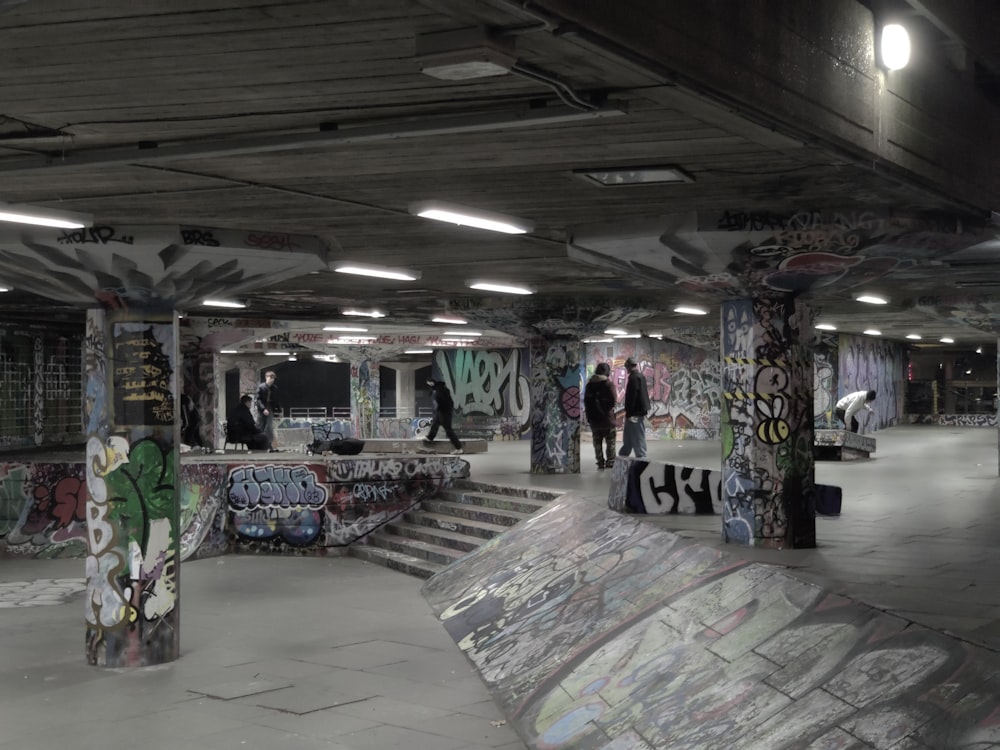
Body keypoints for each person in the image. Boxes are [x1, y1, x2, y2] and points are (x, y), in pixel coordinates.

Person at [584, 361, 617, 470]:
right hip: (608, 420)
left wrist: (589, 417)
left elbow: (586, 403)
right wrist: (606, 411)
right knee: (610, 442)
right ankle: (610, 462)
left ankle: (600, 462)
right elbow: (613, 401)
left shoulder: (589, 386)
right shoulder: (608, 385)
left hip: (594, 420)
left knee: (597, 442)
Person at [618, 357, 650, 458]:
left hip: (634, 413)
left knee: (638, 436)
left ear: (628, 367)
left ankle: (642, 458)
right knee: (628, 437)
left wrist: (629, 412)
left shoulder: (633, 378)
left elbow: (633, 396)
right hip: (637, 412)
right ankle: (623, 455)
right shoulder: (641, 376)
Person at [423, 379, 464, 454]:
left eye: (430, 384)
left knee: (448, 430)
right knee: (435, 424)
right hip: (441, 411)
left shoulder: (440, 389)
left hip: (444, 412)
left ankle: (458, 448)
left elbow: (445, 401)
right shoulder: (438, 388)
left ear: (433, 383)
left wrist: (440, 408)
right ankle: (430, 437)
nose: (430, 386)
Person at [255, 370, 281, 452]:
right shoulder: (261, 387)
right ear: (266, 378)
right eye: (271, 378)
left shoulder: (275, 388)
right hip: (262, 409)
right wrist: (263, 409)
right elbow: (258, 400)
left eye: (273, 378)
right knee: (260, 426)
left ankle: (269, 444)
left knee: (269, 427)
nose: (272, 380)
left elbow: (276, 400)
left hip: (270, 409)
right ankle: (258, 445)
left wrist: (278, 410)